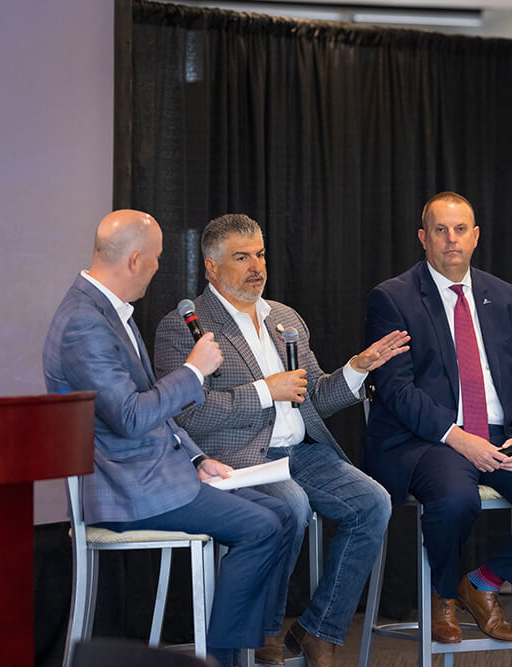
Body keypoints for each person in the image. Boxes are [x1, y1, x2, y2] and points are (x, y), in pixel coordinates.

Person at [43, 209, 297, 667]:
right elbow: (130, 417)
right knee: (262, 527)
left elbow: (149, 406)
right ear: (136, 259)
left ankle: (234, 650)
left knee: (280, 512)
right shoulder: (85, 323)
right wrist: (194, 370)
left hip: (156, 471)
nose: (160, 268)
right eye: (158, 259)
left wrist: (198, 458)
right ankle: (222, 659)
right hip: (128, 488)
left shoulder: (108, 311)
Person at [153, 214, 409, 667]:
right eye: (241, 257)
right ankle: (265, 631)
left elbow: (313, 398)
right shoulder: (185, 325)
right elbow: (188, 415)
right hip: (236, 457)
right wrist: (263, 392)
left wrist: (357, 367)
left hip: (301, 454)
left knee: (374, 502)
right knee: (291, 505)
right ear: (211, 267)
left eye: (260, 254)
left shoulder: (284, 318)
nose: (256, 266)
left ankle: (318, 630)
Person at [363, 192, 512, 644]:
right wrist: (458, 437)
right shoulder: (393, 298)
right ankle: (442, 596)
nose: (452, 240)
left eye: (461, 229)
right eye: (441, 230)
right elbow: (396, 390)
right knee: (455, 500)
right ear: (422, 237)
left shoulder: (505, 297)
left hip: (503, 436)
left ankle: (483, 583)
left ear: (476, 236)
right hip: (428, 439)